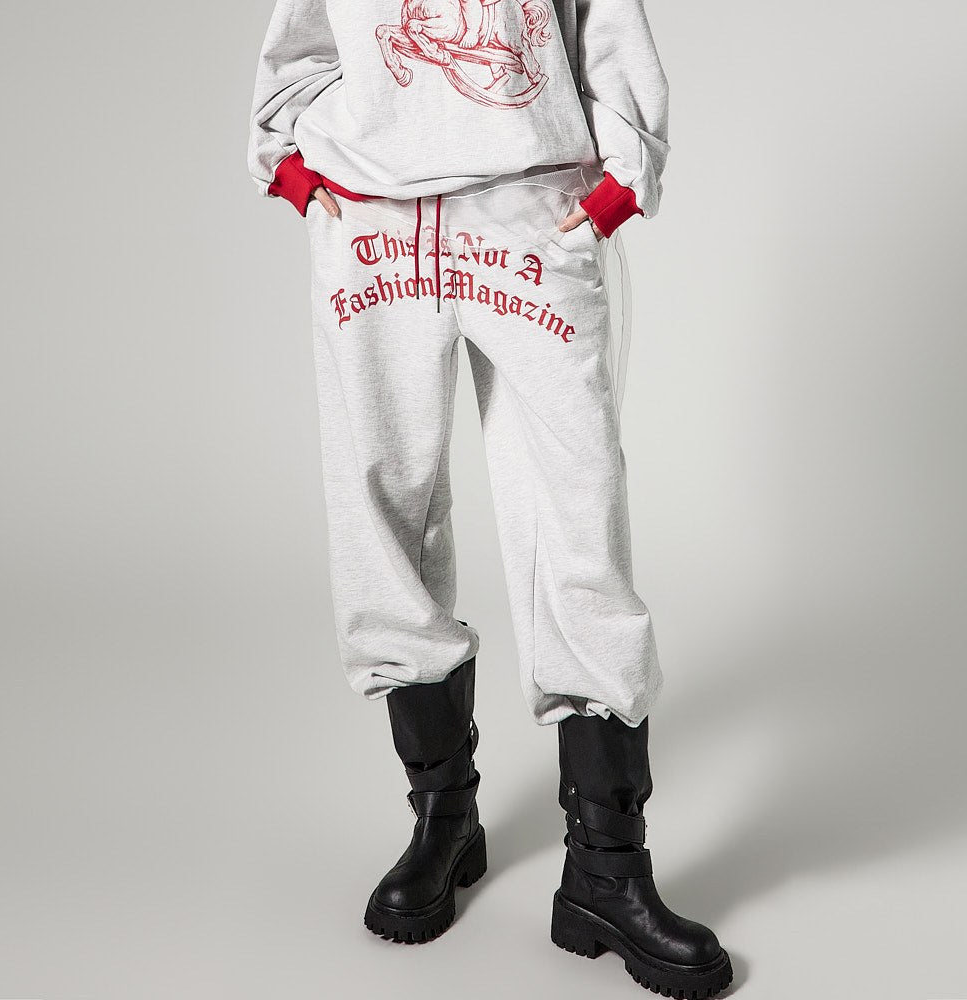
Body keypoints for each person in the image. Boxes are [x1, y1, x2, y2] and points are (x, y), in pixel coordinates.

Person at [248, 1, 733, 995]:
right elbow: (300, 40)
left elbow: (603, 24)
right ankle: (443, 815)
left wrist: (618, 185)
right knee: (379, 514)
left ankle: (605, 871)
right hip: (371, 216)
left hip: (527, 209)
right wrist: (294, 171)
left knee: (577, 518)